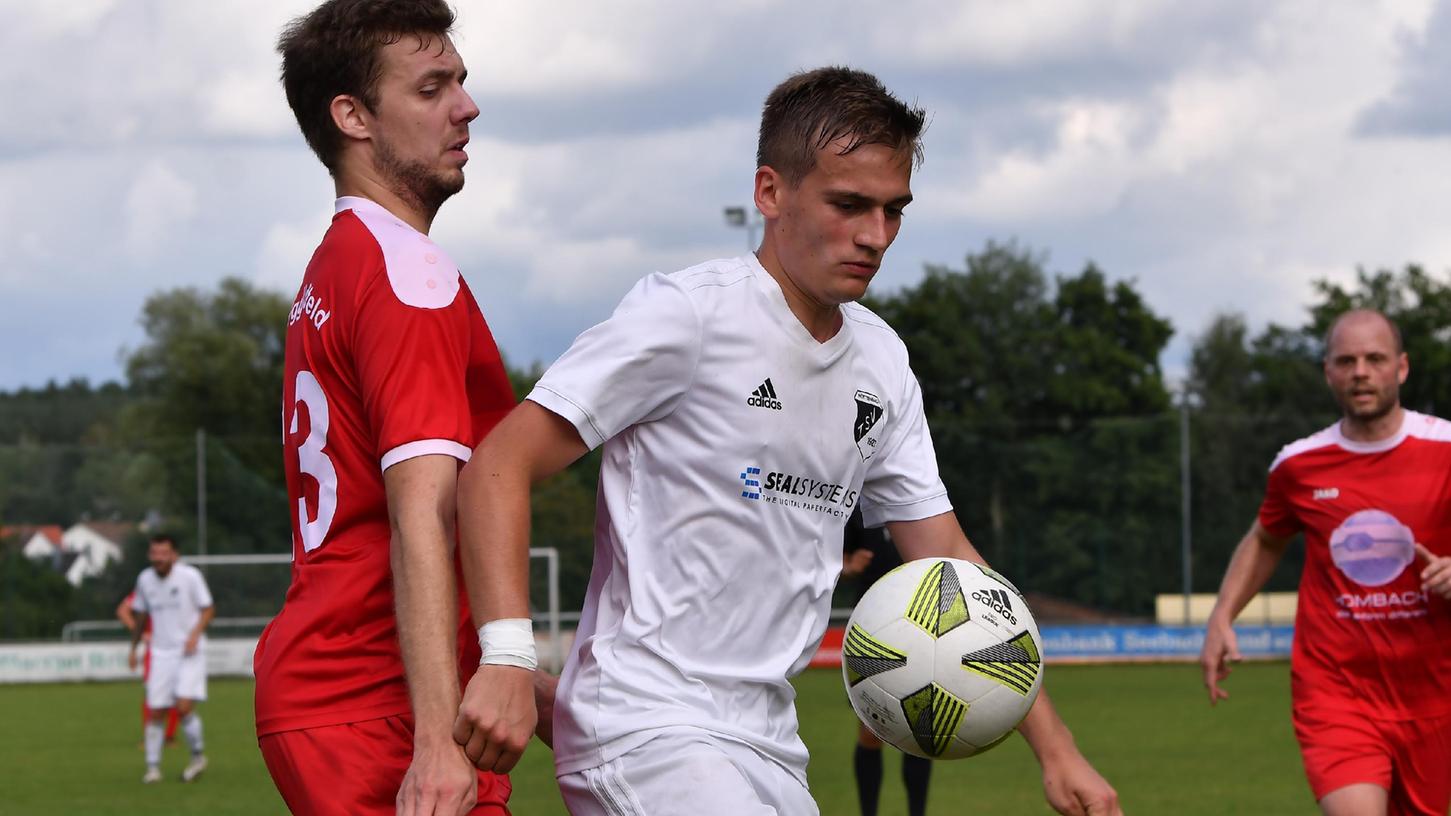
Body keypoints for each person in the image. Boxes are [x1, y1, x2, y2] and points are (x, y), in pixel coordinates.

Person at [454, 66, 1120, 816]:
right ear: (769, 193)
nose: (874, 236)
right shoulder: (687, 317)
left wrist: (1057, 751)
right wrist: (507, 659)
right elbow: (497, 469)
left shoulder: (882, 362)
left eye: (892, 211)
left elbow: (948, 562)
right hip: (649, 727)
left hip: (768, 739)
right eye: (848, 205)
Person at [254, 1, 534, 813]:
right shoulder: (407, 274)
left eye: (461, 82)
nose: (465, 106)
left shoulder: (339, 261)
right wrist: (437, 740)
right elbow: (423, 513)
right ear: (353, 117)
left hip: (337, 687)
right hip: (375, 699)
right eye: (431, 87)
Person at [1199, 309, 1451, 816]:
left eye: (1375, 359)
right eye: (1347, 360)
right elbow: (1265, 539)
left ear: (1401, 368)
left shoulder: (1445, 447)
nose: (1361, 371)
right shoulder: (1298, 465)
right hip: (1337, 691)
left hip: (1436, 693)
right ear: (1328, 372)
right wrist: (1222, 615)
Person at [840, 511, 932, 816]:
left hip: (925, 632)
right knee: (871, 728)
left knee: (921, 726)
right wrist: (849, 567)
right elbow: (829, 557)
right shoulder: (856, 511)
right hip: (872, 631)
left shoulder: (925, 505)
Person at [127, 535, 214, 784]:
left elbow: (208, 608)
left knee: (183, 707)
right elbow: (141, 615)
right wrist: (133, 649)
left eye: (163, 553)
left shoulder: (190, 577)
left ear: (174, 555)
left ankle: (197, 757)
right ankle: (153, 768)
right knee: (155, 711)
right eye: (154, 553)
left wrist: (195, 635)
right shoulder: (144, 579)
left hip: (189, 652)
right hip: (160, 653)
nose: (159, 558)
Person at [116, 592, 180, 745]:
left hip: (178, 648)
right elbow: (123, 610)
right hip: (156, 649)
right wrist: (142, 634)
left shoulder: (182, 583)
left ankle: (169, 737)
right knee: (153, 693)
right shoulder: (149, 587)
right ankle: (151, 737)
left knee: (177, 693)